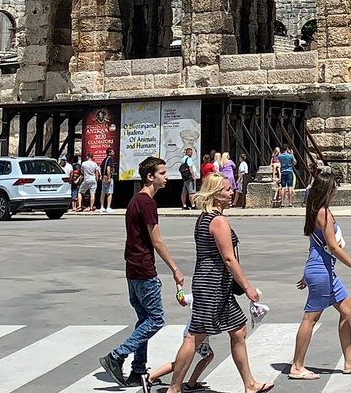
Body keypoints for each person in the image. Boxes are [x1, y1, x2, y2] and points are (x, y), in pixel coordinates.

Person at [163, 173, 271, 393]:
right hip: (212, 285)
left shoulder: (203, 218)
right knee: (195, 335)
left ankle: (249, 384)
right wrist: (248, 288)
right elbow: (229, 259)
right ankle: (173, 388)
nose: (231, 193)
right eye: (227, 190)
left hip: (214, 284)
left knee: (238, 329)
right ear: (216, 194)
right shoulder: (217, 220)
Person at [100, 156, 187, 387]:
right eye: (162, 172)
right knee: (156, 319)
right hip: (144, 268)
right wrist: (175, 270)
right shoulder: (147, 203)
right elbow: (156, 241)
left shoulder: (134, 201)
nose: (166, 176)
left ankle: (138, 369)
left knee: (144, 319)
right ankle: (117, 356)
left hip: (132, 268)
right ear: (150, 176)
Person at [285, 174, 351, 379]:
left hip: (321, 271)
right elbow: (332, 246)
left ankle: (349, 360)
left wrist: (309, 275)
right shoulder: (323, 213)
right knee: (310, 318)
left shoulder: (316, 210)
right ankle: (297, 366)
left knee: (348, 309)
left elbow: (319, 246)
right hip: (321, 271)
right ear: (327, 190)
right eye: (334, 187)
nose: (336, 190)